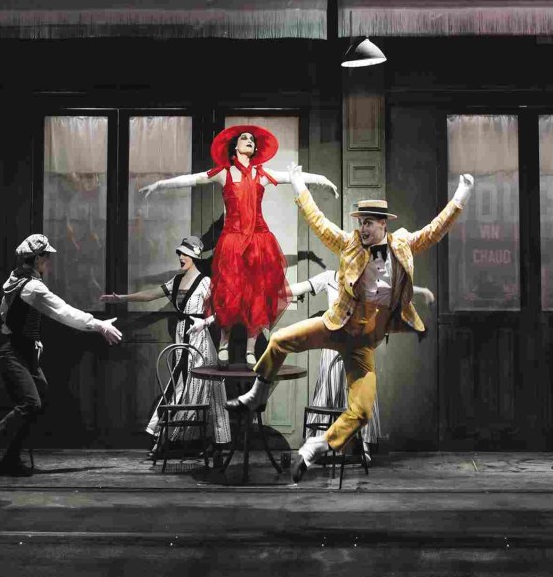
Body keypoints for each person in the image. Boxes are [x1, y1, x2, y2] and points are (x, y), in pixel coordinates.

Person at [227, 164, 474, 483]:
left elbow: (435, 230)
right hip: (337, 327)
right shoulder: (350, 244)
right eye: (360, 222)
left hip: (364, 343)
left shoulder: (402, 245)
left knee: (362, 411)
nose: (363, 228)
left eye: (368, 222)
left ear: (383, 224)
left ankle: (315, 447)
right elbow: (319, 223)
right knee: (279, 340)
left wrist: (462, 193)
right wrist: (299, 184)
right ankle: (257, 395)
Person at [139, 125, 338, 368]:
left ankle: (250, 348)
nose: (249, 141)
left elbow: (293, 178)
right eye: (244, 138)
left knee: (257, 294)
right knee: (228, 291)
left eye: (252, 139)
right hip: (232, 240)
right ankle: (224, 343)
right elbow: (193, 179)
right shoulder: (223, 173)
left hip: (258, 240)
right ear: (235, 146)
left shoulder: (261, 173)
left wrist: (323, 180)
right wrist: (160, 185)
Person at [0, 234, 122, 477]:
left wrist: (33, 339)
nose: (49, 262)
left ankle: (11, 458)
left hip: (24, 349)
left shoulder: (18, 278)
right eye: (47, 257)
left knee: (40, 400)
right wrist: (99, 325)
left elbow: (9, 314)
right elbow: (63, 312)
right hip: (13, 351)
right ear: (37, 259)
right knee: (31, 403)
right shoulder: (32, 286)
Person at [289, 270, 435, 464]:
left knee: (362, 393)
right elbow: (300, 287)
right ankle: (317, 443)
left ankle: (364, 444)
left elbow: (397, 290)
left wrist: (422, 291)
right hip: (334, 346)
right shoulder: (329, 277)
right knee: (327, 393)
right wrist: (275, 290)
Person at [100, 236, 231, 451]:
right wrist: (121, 298)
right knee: (183, 382)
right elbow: (150, 294)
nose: (181, 257)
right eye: (180, 253)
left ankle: (192, 437)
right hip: (182, 335)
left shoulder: (205, 282)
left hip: (199, 339)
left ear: (195, 256)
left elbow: (224, 309)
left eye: (185, 254)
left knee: (201, 385)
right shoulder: (176, 281)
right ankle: (171, 436)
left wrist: (205, 322)